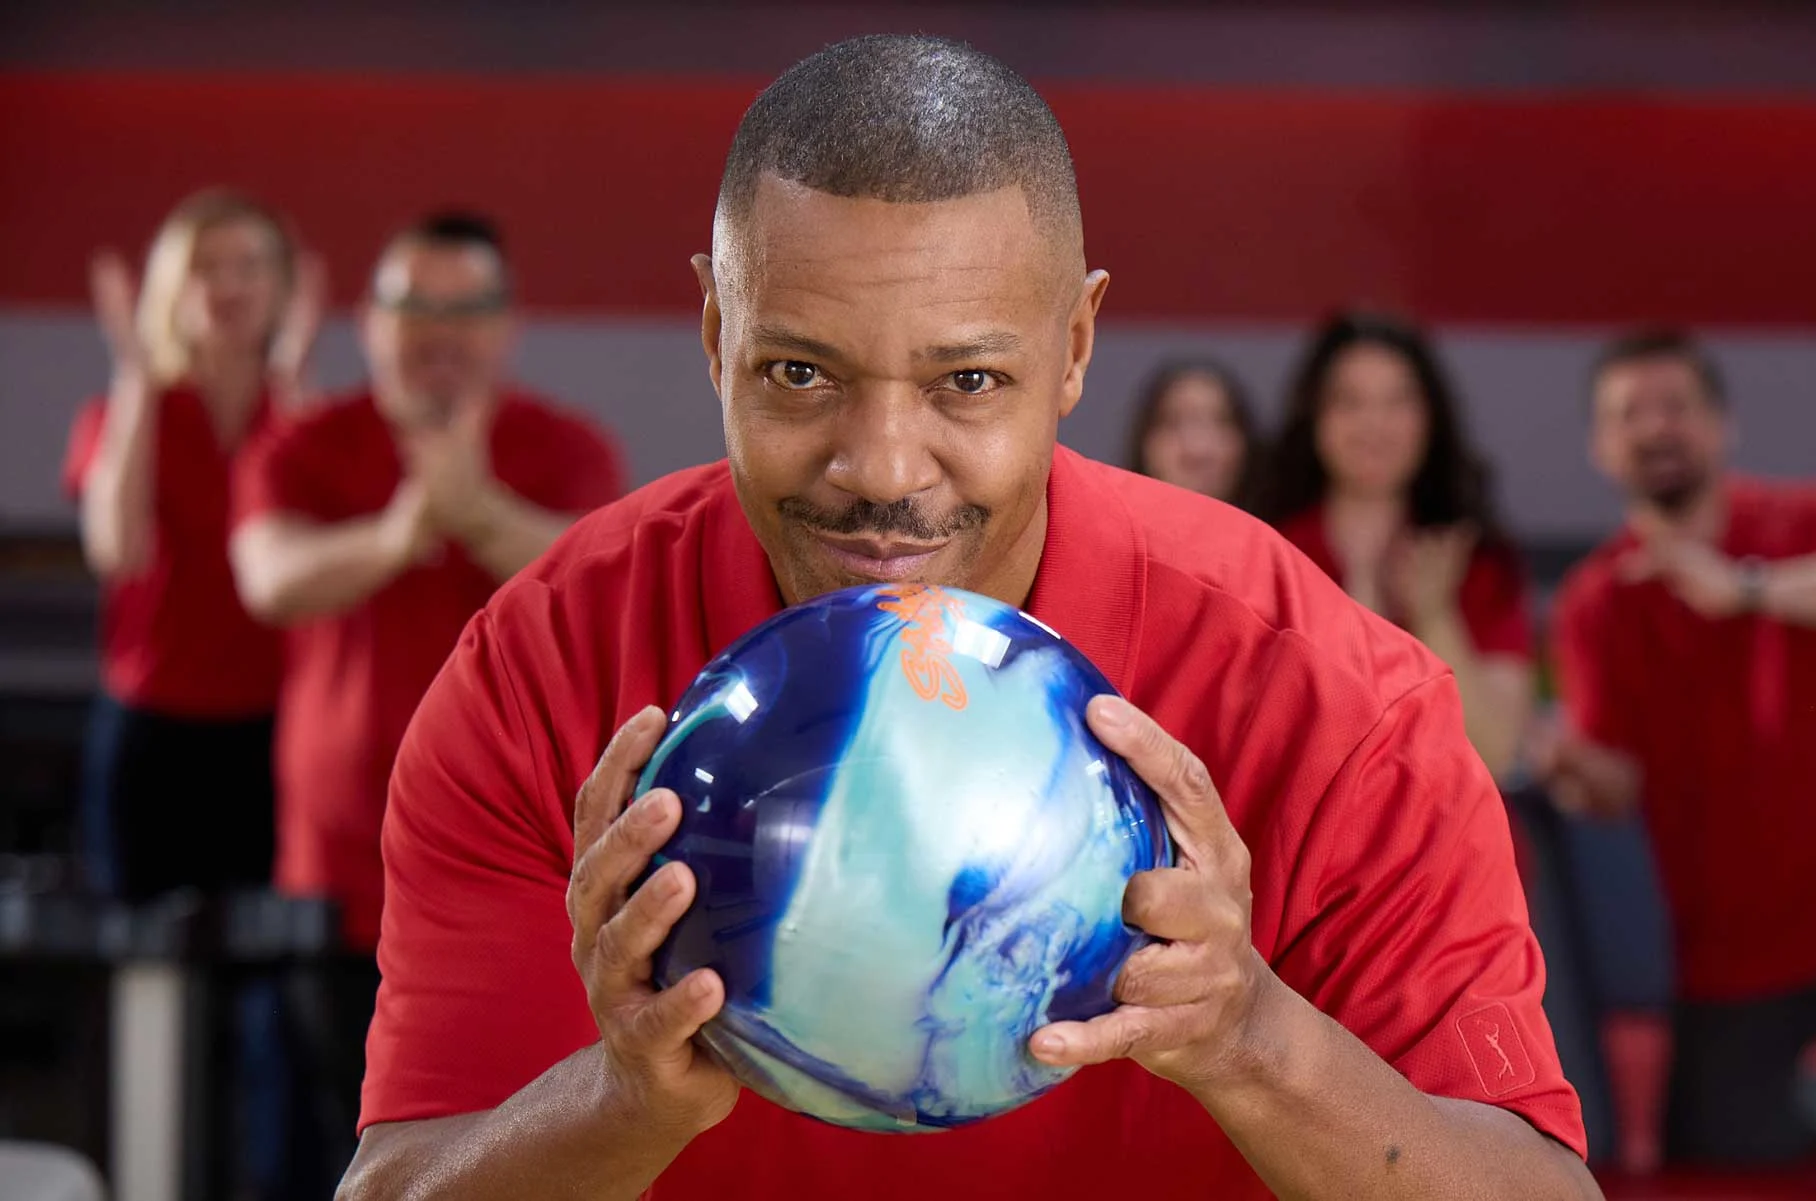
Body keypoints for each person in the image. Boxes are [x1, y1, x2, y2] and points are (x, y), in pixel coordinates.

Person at [339, 37, 1598, 1201]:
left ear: (1076, 347)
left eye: (969, 381)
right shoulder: (540, 672)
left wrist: (1249, 1035)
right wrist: (617, 1100)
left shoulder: (1333, 701)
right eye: (799, 372)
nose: (884, 466)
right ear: (716, 333)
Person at [228, 210, 626, 1192]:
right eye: (414, 306)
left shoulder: (564, 445)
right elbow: (270, 577)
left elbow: (606, 581)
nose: (440, 329)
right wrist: (403, 532)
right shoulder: (309, 444)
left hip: (530, 881)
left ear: (508, 325)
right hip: (338, 878)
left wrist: (476, 510)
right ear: (370, 321)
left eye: (468, 307)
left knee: (512, 1154)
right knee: (331, 1148)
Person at [1539, 328, 1816, 1167]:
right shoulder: (1596, 599)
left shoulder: (1809, 516)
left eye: (1675, 406)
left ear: (1721, 425)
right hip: (1730, 963)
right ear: (1602, 448)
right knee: (1718, 1160)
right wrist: (1567, 768)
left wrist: (1747, 586)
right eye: (1628, 414)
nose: (1654, 428)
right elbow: (1617, 783)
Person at [63, 188, 318, 902]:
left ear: (281, 288)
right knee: (148, 975)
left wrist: (295, 392)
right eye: (206, 266)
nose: (229, 285)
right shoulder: (125, 412)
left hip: (273, 727)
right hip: (152, 723)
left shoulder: (302, 419)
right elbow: (116, 547)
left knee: (268, 977)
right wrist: (136, 383)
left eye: (249, 265)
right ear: (172, 287)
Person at [1259, 313, 1534, 782]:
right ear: (1315, 417)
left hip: (1455, 848)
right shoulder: (1270, 552)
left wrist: (1435, 615)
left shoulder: (1475, 560)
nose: (1374, 423)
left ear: (1430, 417)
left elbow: (1496, 755)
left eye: (1397, 401)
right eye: (1350, 401)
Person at [1123, 358, 1258, 506]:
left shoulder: (1273, 529)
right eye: (1173, 423)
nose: (1198, 449)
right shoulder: (1109, 527)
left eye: (1221, 421)